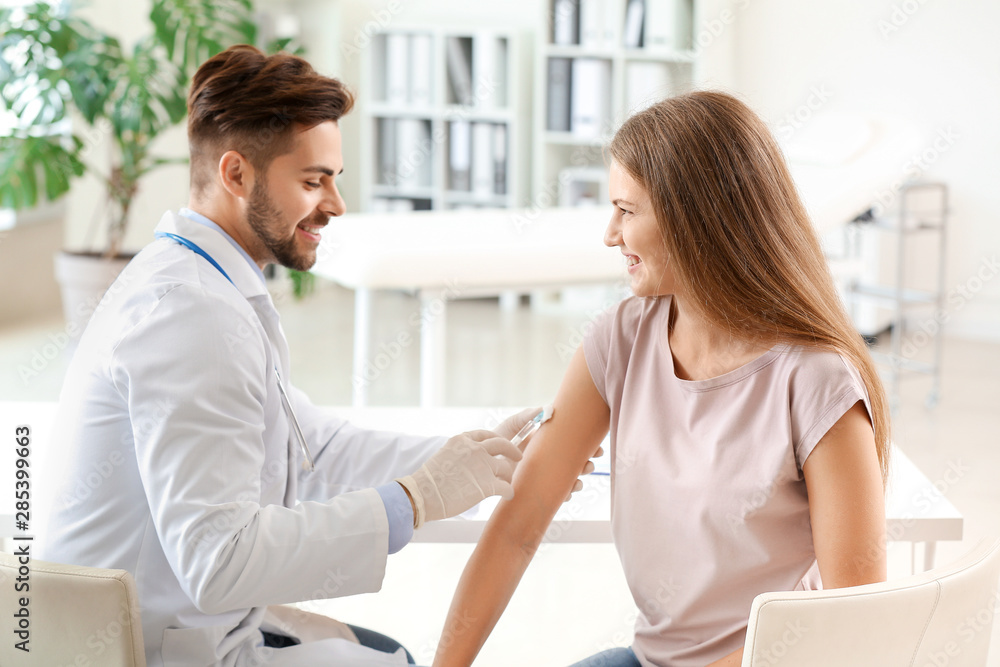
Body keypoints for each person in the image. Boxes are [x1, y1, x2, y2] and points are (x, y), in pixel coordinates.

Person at [38, 44, 587, 666]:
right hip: (155, 651)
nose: (335, 204)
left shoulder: (203, 279)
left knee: (385, 650)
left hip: (188, 626)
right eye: (311, 180)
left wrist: (482, 458)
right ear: (236, 174)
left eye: (334, 178)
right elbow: (219, 562)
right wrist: (416, 498)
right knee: (401, 660)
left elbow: (312, 445)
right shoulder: (190, 315)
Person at [432, 91, 892, 667]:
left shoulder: (816, 381)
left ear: (696, 220)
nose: (609, 234)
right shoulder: (621, 338)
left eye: (626, 211)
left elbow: (854, 620)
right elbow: (517, 526)